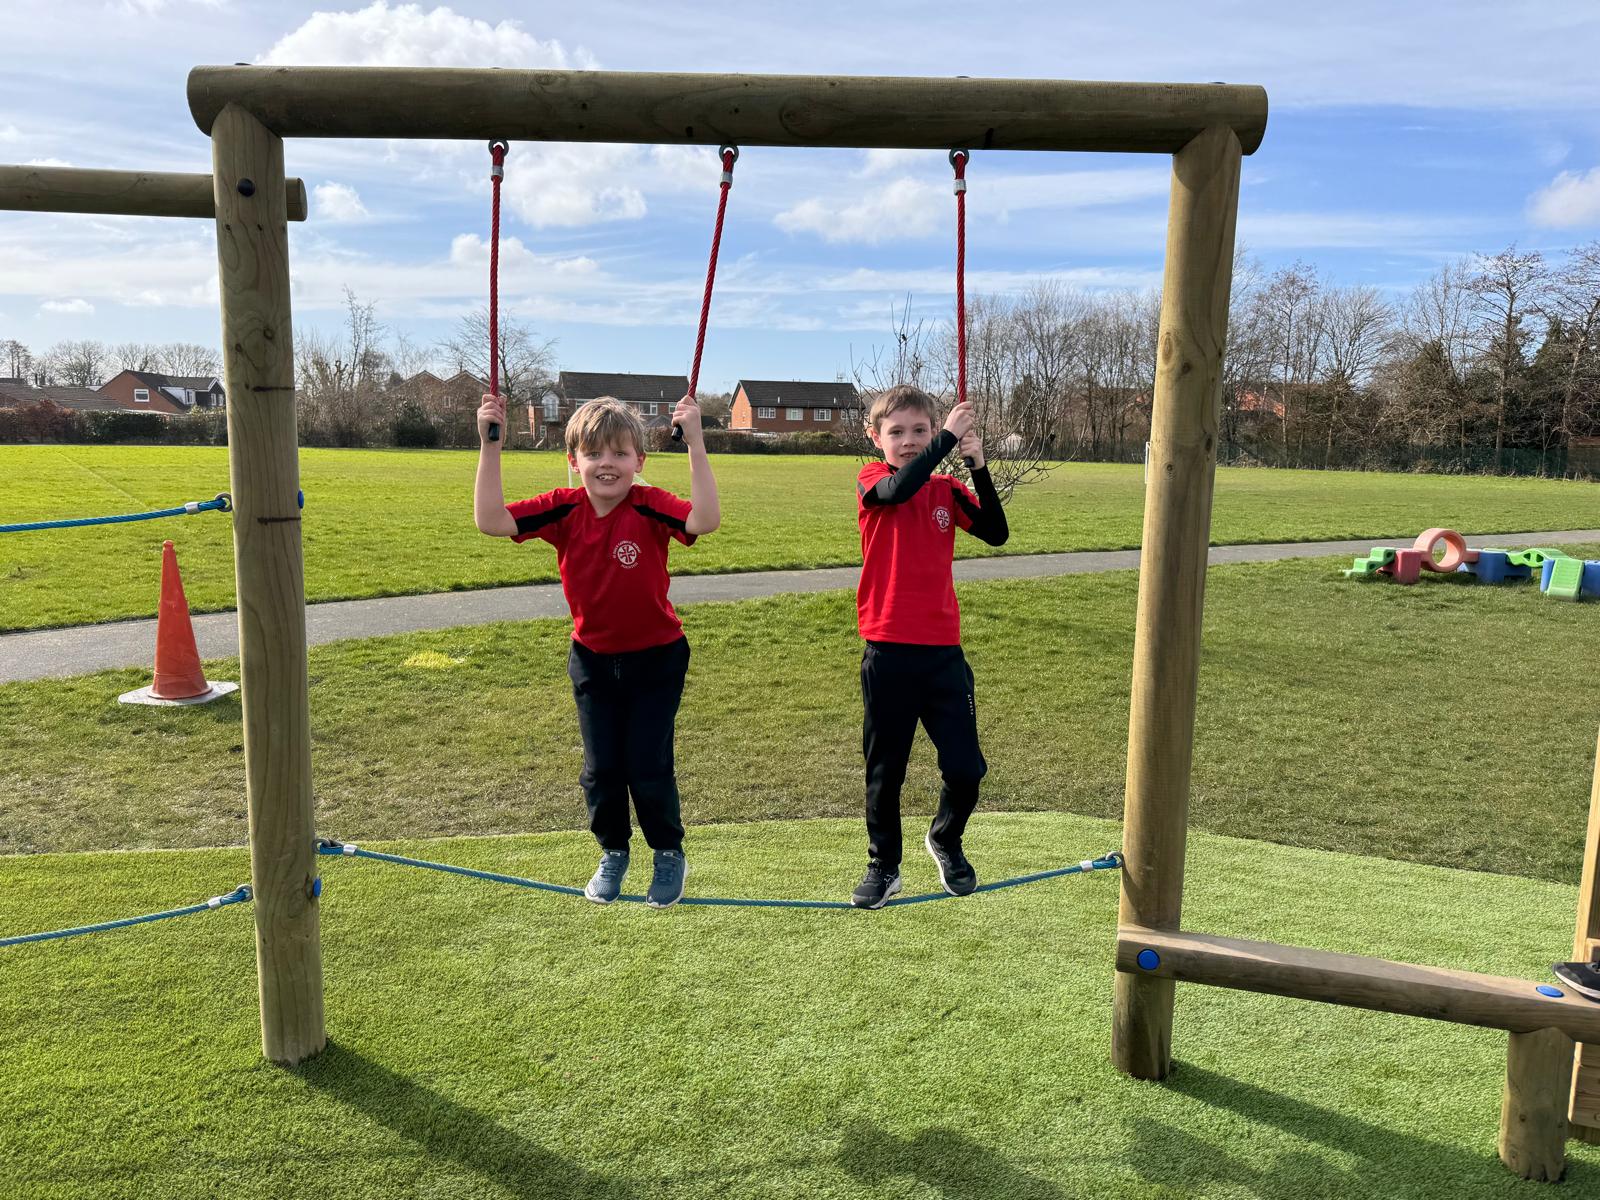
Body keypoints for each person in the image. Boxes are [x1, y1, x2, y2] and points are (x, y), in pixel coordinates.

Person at [473, 393, 720, 909]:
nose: (607, 464)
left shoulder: (650, 505)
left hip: (658, 657)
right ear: (574, 461)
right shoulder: (564, 509)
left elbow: (704, 520)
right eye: (594, 453)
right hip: (591, 658)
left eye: (620, 453)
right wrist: (489, 444)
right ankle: (613, 850)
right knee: (601, 767)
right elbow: (492, 520)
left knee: (646, 763)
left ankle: (668, 852)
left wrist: (696, 441)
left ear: (639, 462)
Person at [850, 385, 1009, 909]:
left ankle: (945, 838)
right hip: (888, 652)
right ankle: (884, 865)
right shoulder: (873, 481)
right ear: (877, 439)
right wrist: (946, 439)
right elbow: (899, 491)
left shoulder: (946, 489)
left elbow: (996, 532)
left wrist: (978, 465)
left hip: (943, 655)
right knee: (885, 770)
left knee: (966, 769)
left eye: (921, 430)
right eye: (897, 432)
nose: (911, 441)